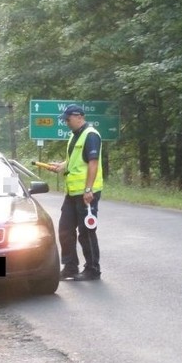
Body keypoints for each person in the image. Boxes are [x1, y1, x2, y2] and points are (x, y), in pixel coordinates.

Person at [50, 104, 103, 281]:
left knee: (86, 231)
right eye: (64, 119)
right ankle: (70, 267)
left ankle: (93, 269)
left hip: (86, 193)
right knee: (65, 229)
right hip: (72, 192)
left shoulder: (91, 135)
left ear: (79, 116)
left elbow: (93, 163)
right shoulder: (74, 136)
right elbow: (75, 160)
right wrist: (61, 165)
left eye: (68, 118)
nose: (65, 122)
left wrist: (88, 189)